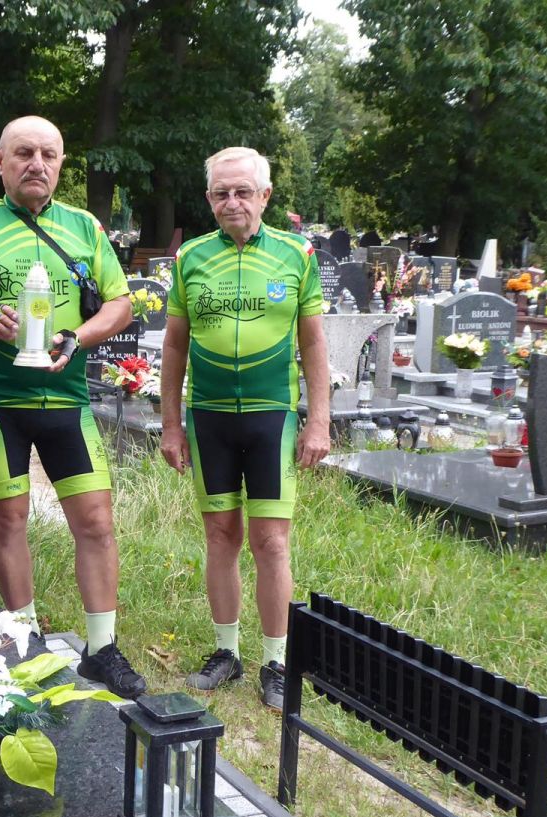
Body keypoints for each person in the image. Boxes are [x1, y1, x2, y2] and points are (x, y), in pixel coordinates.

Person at [0, 115, 146, 699]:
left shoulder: (84, 227)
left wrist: (79, 337)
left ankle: (101, 650)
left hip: (67, 398)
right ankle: (22, 642)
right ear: (0, 160)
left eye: (49, 154)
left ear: (62, 163)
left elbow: (120, 303)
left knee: (95, 522)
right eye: (24, 153)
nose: (37, 164)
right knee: (8, 520)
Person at [158, 147, 330, 712]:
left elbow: (313, 342)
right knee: (220, 536)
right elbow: (175, 345)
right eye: (221, 193)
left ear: (265, 196)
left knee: (271, 541)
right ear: (209, 198)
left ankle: (276, 661)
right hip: (208, 416)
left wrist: (319, 420)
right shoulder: (191, 257)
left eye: (243, 191)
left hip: (270, 415)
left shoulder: (295, 254)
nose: (232, 202)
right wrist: (170, 425)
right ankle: (227, 652)